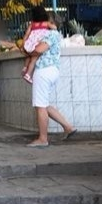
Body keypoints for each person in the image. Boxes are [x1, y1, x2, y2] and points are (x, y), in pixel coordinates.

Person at [26, 18, 77, 147]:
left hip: (44, 70)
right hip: (52, 70)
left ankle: (43, 139)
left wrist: (29, 51)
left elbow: (39, 50)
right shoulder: (56, 35)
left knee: (40, 106)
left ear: (50, 23)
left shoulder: (50, 34)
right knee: (44, 104)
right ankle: (68, 127)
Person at [21, 7, 58, 84]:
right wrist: (52, 25)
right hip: (38, 43)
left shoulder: (32, 24)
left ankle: (25, 68)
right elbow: (55, 28)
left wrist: (24, 43)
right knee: (34, 58)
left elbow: (26, 34)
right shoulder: (46, 23)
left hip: (31, 42)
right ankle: (28, 74)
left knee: (28, 55)